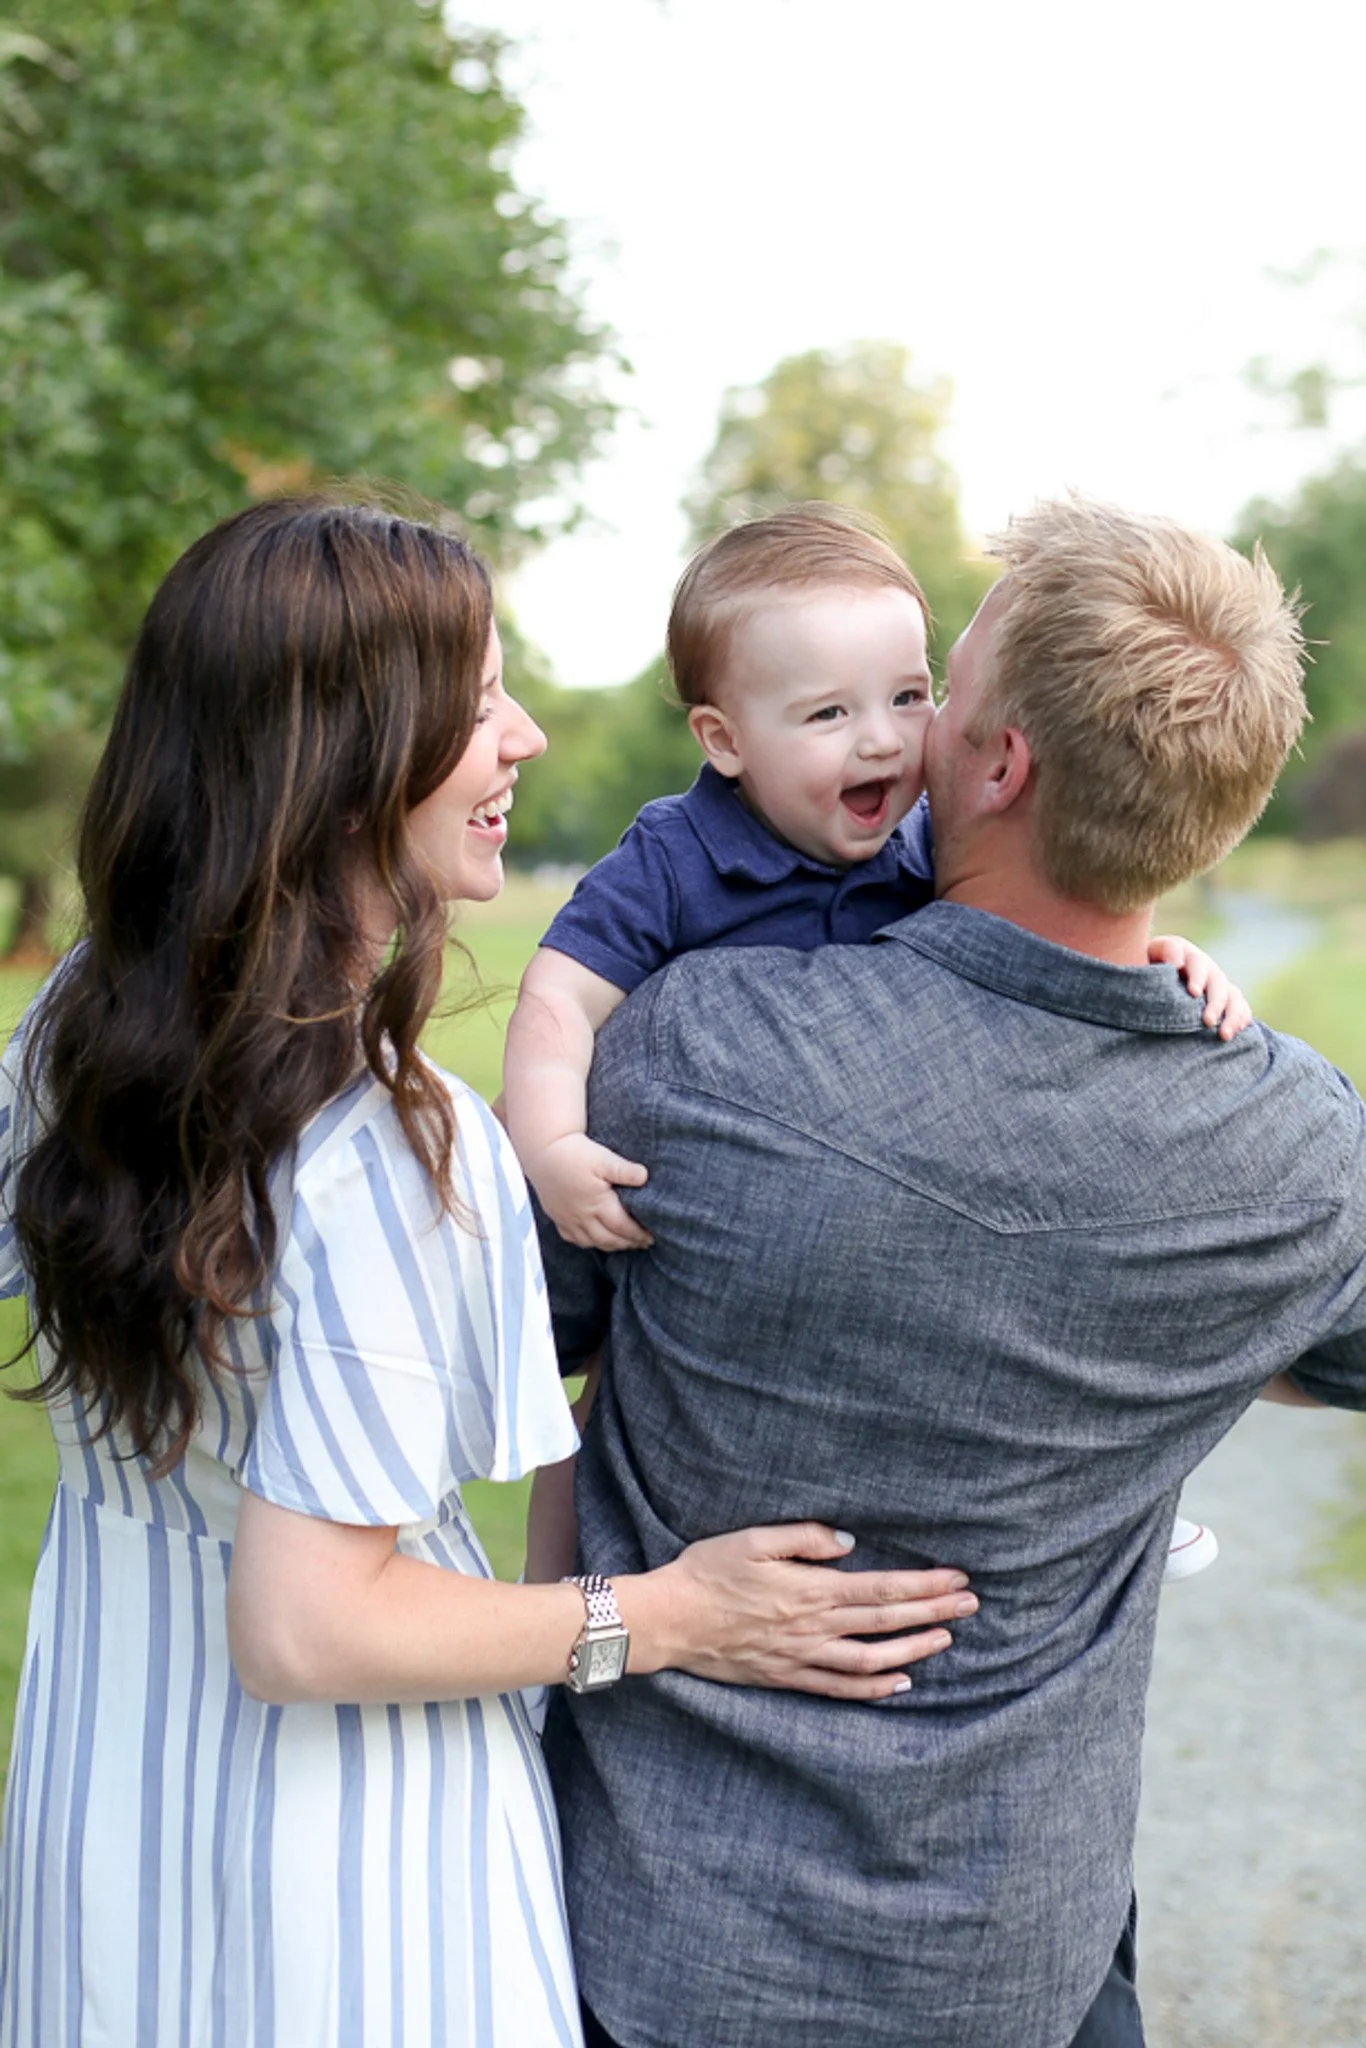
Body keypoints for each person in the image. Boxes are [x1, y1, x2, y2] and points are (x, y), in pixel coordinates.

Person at [0, 497, 973, 2048]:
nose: (520, 738)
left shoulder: (77, 1030)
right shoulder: (387, 1150)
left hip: (109, 1804)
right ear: (338, 761)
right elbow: (311, 1626)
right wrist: (667, 1615)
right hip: (356, 1892)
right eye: (473, 709)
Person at [536, 496, 1366, 2048]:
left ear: (996, 765)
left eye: (933, 693)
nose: (898, 732)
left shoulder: (700, 1052)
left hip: (664, 1945)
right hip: (1020, 1961)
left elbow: (511, 1344)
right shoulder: (1299, 1158)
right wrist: (1162, 1327)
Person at [504, 502, 1235, 1579]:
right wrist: (554, 1144)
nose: (884, 739)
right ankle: (562, 1608)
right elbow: (556, 1001)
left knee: (1037, 1284)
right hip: (703, 1203)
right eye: (828, 713)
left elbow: (1055, 939)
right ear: (724, 739)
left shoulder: (928, 841)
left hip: (889, 1173)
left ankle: (1127, 1493)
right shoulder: (677, 854)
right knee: (596, 1405)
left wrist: (1165, 956)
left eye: (908, 694)